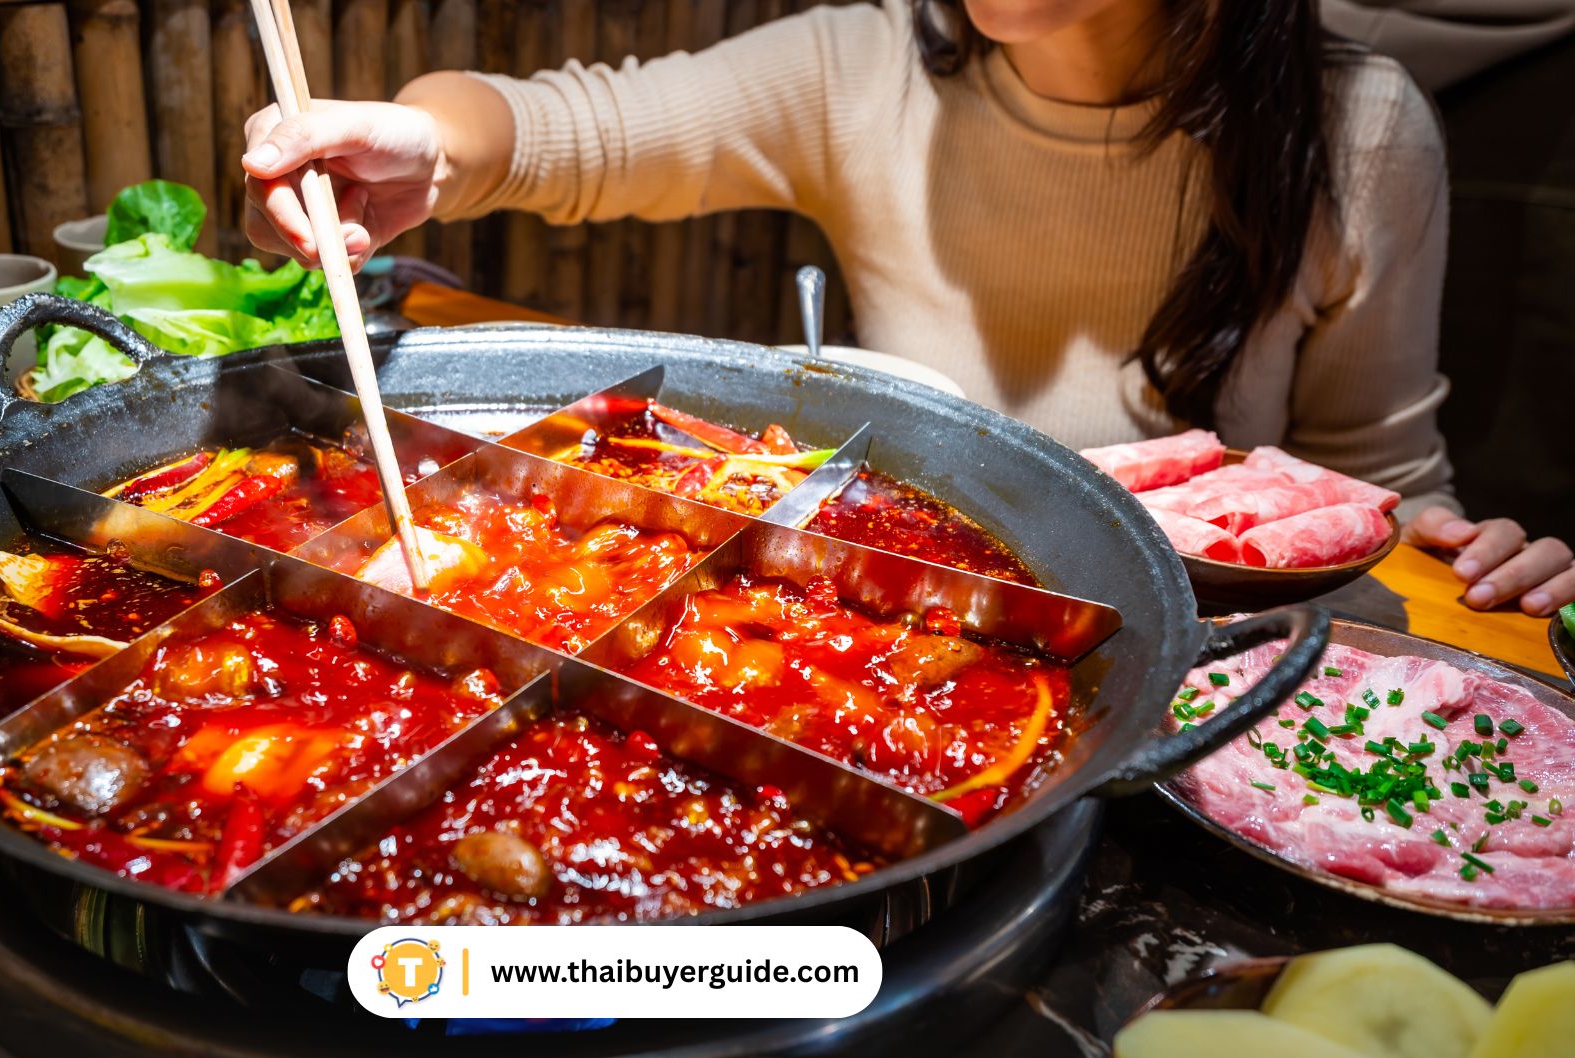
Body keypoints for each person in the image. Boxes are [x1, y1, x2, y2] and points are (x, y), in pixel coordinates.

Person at [240, 0, 1575, 616]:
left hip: (1190, 664)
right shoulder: (868, 63)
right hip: (881, 604)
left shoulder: (1359, 132)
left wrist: (1490, 567)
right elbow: (556, 126)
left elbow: (1375, 484)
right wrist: (414, 146)